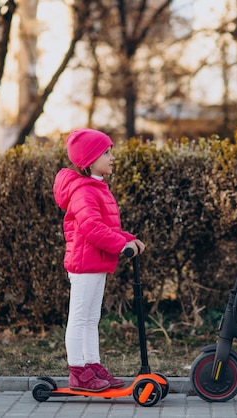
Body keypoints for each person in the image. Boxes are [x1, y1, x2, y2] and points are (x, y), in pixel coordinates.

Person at [53, 128, 145, 392]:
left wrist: (129, 238)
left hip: (96, 263)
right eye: (106, 152)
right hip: (84, 264)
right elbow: (92, 229)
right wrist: (121, 245)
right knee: (79, 318)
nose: (112, 157)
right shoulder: (84, 191)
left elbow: (107, 226)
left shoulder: (97, 187)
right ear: (90, 160)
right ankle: (78, 370)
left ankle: (92, 364)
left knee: (92, 318)